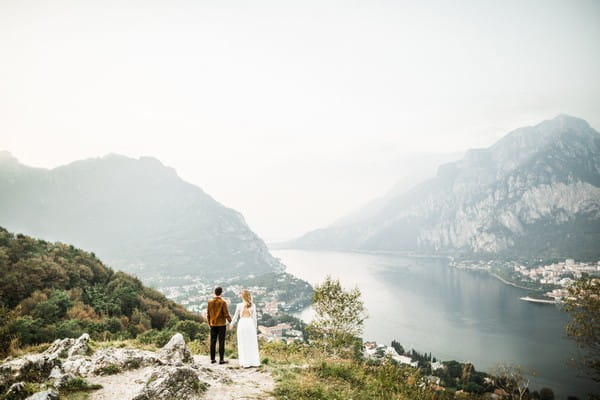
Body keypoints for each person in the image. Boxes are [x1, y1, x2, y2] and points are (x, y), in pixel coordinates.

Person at [229, 289, 260, 367]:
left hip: (242, 324)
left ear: (242, 296)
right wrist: (255, 328)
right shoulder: (253, 305)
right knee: (251, 342)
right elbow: (254, 318)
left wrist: (231, 324)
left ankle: (244, 362)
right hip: (250, 324)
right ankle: (253, 362)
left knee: (243, 342)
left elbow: (235, 316)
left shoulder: (239, 305)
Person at [207, 286, 231, 364]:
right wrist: (231, 322)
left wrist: (209, 323)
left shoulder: (209, 302)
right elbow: (226, 314)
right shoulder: (223, 302)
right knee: (221, 342)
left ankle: (212, 359)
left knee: (212, 341)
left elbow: (208, 314)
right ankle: (221, 359)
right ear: (221, 293)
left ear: (214, 292)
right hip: (221, 325)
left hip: (212, 324)